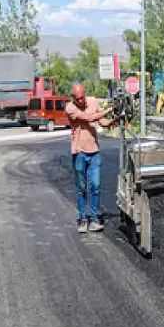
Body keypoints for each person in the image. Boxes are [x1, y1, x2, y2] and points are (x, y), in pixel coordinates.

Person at [65, 82, 115, 233]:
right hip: (79, 153)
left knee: (95, 186)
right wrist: (109, 109)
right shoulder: (70, 108)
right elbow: (88, 118)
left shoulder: (93, 102)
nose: (81, 101)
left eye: (83, 97)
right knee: (81, 188)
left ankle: (93, 219)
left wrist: (113, 121)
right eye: (78, 99)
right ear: (73, 98)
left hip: (94, 152)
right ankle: (82, 218)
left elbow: (102, 121)